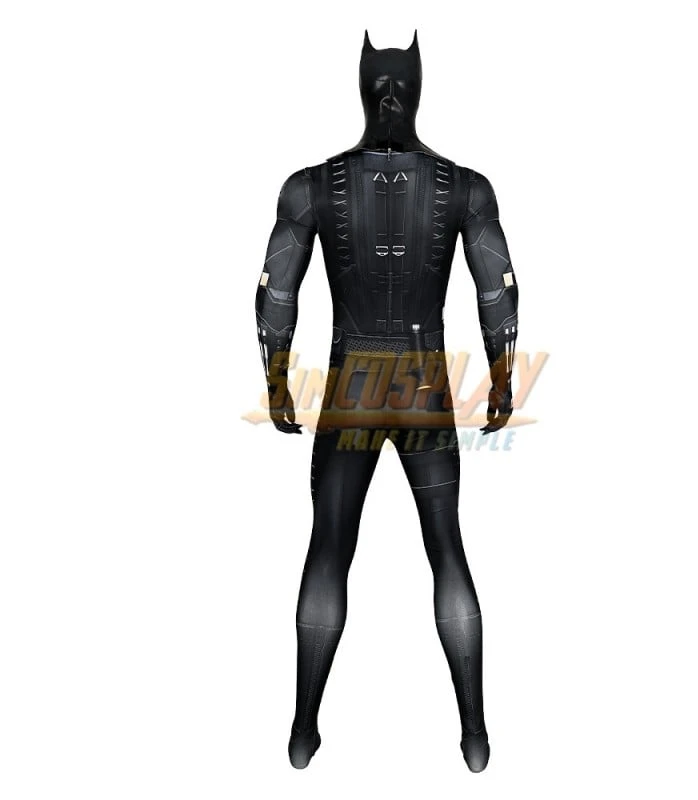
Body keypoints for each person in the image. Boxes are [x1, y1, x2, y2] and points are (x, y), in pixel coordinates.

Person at [254, 29, 519, 772]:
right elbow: (498, 289)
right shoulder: (465, 187)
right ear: (416, 89)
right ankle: (474, 735)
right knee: (446, 547)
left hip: (353, 382)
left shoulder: (311, 186)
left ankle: (303, 729)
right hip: (424, 381)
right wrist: (501, 377)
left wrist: (277, 377)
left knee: (329, 548)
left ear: (363, 88)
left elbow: (276, 292)